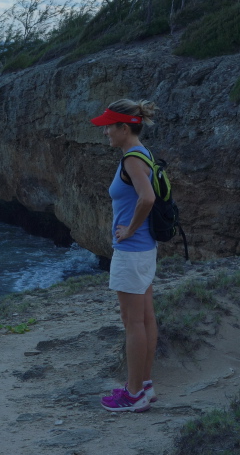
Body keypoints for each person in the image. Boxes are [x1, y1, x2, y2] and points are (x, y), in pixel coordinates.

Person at [90, 99, 159, 413]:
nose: (105, 132)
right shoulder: (143, 153)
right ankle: (144, 386)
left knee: (132, 322)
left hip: (131, 252)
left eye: (109, 126)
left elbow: (148, 197)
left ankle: (133, 394)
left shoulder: (132, 159)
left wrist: (129, 229)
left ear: (123, 127)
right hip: (145, 251)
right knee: (144, 319)